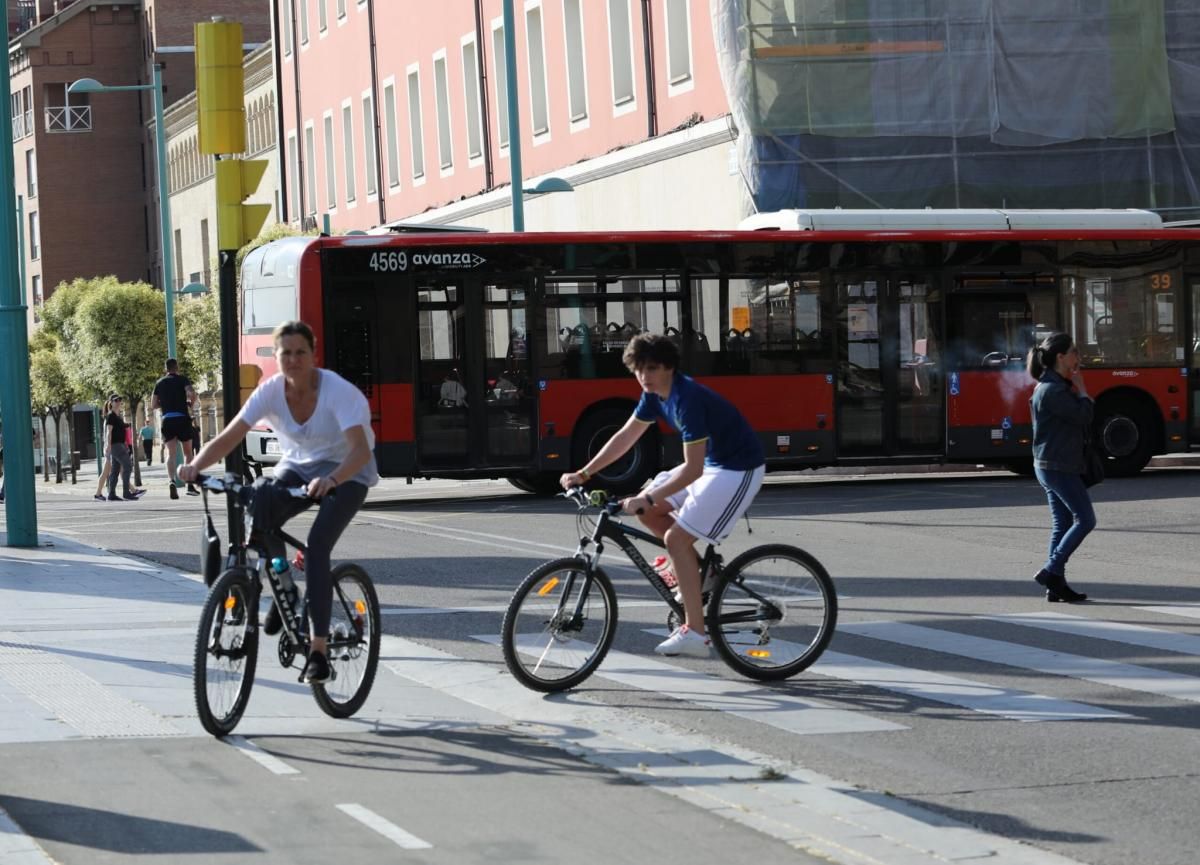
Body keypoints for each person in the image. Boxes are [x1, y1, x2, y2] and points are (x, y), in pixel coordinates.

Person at [180, 320, 378, 684]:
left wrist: (332, 479)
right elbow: (230, 437)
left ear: (313, 355)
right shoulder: (270, 392)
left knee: (318, 547)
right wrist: (194, 466)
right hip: (299, 467)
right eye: (285, 353)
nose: (293, 359)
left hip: (348, 472)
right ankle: (285, 587)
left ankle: (318, 650)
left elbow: (361, 450)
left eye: (301, 352)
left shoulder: (338, 392)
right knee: (261, 509)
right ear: (276, 356)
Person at [559, 333, 765, 657]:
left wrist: (650, 497)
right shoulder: (653, 394)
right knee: (648, 512)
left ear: (669, 367)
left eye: (651, 368)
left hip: (738, 470)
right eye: (639, 369)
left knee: (676, 539)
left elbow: (693, 470)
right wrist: (584, 473)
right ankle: (703, 573)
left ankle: (696, 633)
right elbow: (626, 436)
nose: (644, 376)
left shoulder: (687, 399)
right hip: (712, 464)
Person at [1027, 332, 1094, 603]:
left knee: (1063, 523)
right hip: (1057, 465)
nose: (1078, 356)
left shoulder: (1050, 386)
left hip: (1049, 463)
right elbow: (1084, 417)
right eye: (1074, 351)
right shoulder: (1053, 390)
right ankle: (1051, 570)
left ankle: (1056, 586)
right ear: (1060, 357)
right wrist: (1084, 391)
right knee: (1086, 519)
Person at [152, 358, 199, 499]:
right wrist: (190, 403)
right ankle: (189, 484)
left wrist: (165, 405)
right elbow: (192, 394)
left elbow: (153, 404)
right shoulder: (183, 380)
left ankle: (172, 480)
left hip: (167, 419)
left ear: (165, 368)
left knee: (171, 454)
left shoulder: (159, 383)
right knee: (188, 453)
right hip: (182, 418)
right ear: (176, 367)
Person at [104, 395, 143, 501]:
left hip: (120, 444)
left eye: (120, 400)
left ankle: (111, 494)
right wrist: (108, 445)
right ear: (111, 402)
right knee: (128, 466)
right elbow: (109, 431)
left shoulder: (118, 415)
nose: (118, 402)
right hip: (116, 445)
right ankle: (126, 492)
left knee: (115, 470)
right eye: (116, 400)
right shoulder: (111, 415)